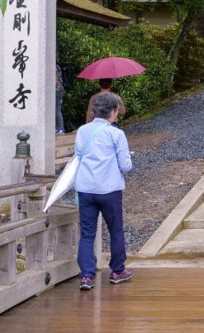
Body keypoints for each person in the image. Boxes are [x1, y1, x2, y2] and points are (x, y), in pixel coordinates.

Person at [75, 91, 133, 290]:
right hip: (109, 189)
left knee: (87, 233)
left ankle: (86, 276)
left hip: (86, 188)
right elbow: (125, 165)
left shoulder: (82, 131)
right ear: (114, 112)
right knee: (115, 230)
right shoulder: (116, 134)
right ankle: (117, 271)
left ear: (94, 111)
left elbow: (78, 156)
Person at [54, 64, 66, 134]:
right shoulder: (57, 66)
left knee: (57, 109)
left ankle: (60, 128)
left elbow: (55, 79)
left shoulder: (54, 66)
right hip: (59, 90)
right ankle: (59, 127)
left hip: (57, 90)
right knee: (57, 109)